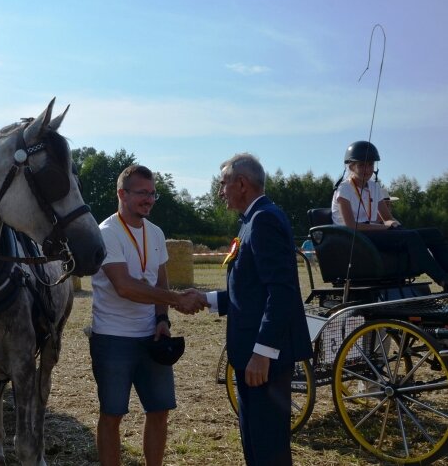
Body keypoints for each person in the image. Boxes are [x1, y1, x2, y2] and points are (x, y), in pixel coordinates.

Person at [186, 153, 311, 466]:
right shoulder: (253, 221)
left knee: (268, 447)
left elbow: (281, 293)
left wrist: (262, 353)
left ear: (241, 184)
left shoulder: (264, 220)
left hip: (262, 360)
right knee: (256, 441)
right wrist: (207, 299)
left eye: (224, 183)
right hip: (252, 355)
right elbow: (251, 292)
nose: (220, 191)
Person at [89, 164, 208, 466]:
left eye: (153, 193)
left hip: (151, 337)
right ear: (122, 194)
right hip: (113, 337)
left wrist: (162, 320)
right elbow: (125, 287)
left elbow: (160, 280)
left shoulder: (155, 233)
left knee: (159, 410)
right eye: (142, 193)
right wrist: (176, 300)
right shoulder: (106, 233)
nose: (149, 199)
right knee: (112, 415)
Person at [332, 140, 448, 291]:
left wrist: (394, 225)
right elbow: (350, 225)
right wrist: (382, 227)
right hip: (354, 238)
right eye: (361, 165)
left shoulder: (374, 187)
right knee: (410, 237)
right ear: (351, 166)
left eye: (370, 165)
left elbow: (387, 218)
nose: (367, 169)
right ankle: (443, 281)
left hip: (372, 233)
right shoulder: (344, 189)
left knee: (433, 234)